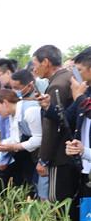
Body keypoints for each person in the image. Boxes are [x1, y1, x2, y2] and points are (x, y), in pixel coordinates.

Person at [33, 45, 78, 203]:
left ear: (45, 62)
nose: (34, 69)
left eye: (35, 64)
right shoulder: (69, 77)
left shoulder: (56, 85)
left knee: (58, 203)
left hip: (60, 155)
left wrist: (43, 159)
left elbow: (51, 126)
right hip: (73, 153)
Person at [0, 88, 41, 197]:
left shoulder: (29, 111)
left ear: (5, 103)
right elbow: (15, 138)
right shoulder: (13, 114)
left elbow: (39, 139)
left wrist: (12, 147)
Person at [64, 47, 91, 221]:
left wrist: (79, 97)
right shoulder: (85, 92)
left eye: (79, 70)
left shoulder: (83, 94)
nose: (77, 76)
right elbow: (67, 116)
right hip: (86, 165)